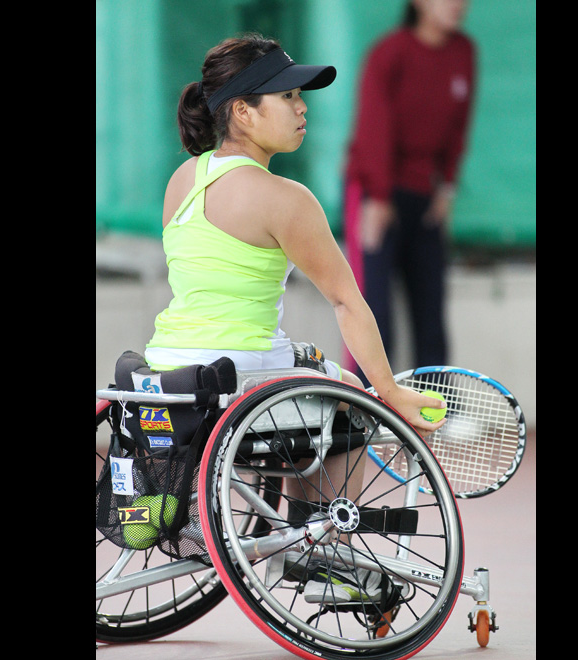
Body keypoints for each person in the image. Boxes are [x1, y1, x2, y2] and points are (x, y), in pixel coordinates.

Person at [143, 33, 446, 604]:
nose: (302, 106)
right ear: (241, 111)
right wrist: (387, 391)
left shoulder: (183, 180)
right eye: (286, 96)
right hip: (238, 376)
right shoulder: (285, 198)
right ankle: (322, 548)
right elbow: (347, 302)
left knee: (312, 376)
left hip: (167, 371)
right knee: (349, 397)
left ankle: (295, 532)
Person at [344, 0, 476, 384]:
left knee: (430, 310)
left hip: (427, 196)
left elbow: (458, 128)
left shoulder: (463, 52)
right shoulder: (390, 53)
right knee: (374, 310)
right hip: (374, 192)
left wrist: (446, 187)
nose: (457, 4)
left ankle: (437, 412)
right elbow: (373, 127)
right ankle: (365, 411)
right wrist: (380, 198)